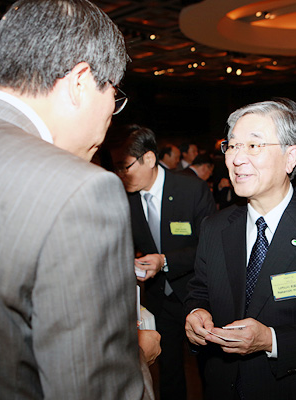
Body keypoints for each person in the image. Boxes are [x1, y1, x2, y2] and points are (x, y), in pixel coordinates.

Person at [0, 0, 158, 399]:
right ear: (80, 82)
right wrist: (135, 355)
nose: (110, 121)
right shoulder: (80, 189)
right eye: (114, 98)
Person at [185, 98, 296, 400]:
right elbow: (200, 289)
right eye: (231, 145)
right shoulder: (215, 227)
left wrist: (270, 340)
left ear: (290, 157)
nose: (237, 159)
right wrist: (196, 312)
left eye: (253, 146)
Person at [111, 125, 216, 400]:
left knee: (211, 370)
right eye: (117, 169)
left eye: (125, 167)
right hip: (159, 299)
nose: (121, 175)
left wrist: (165, 261)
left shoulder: (191, 188)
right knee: (168, 372)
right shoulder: (126, 198)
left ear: (148, 158)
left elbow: (210, 248)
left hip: (197, 296)